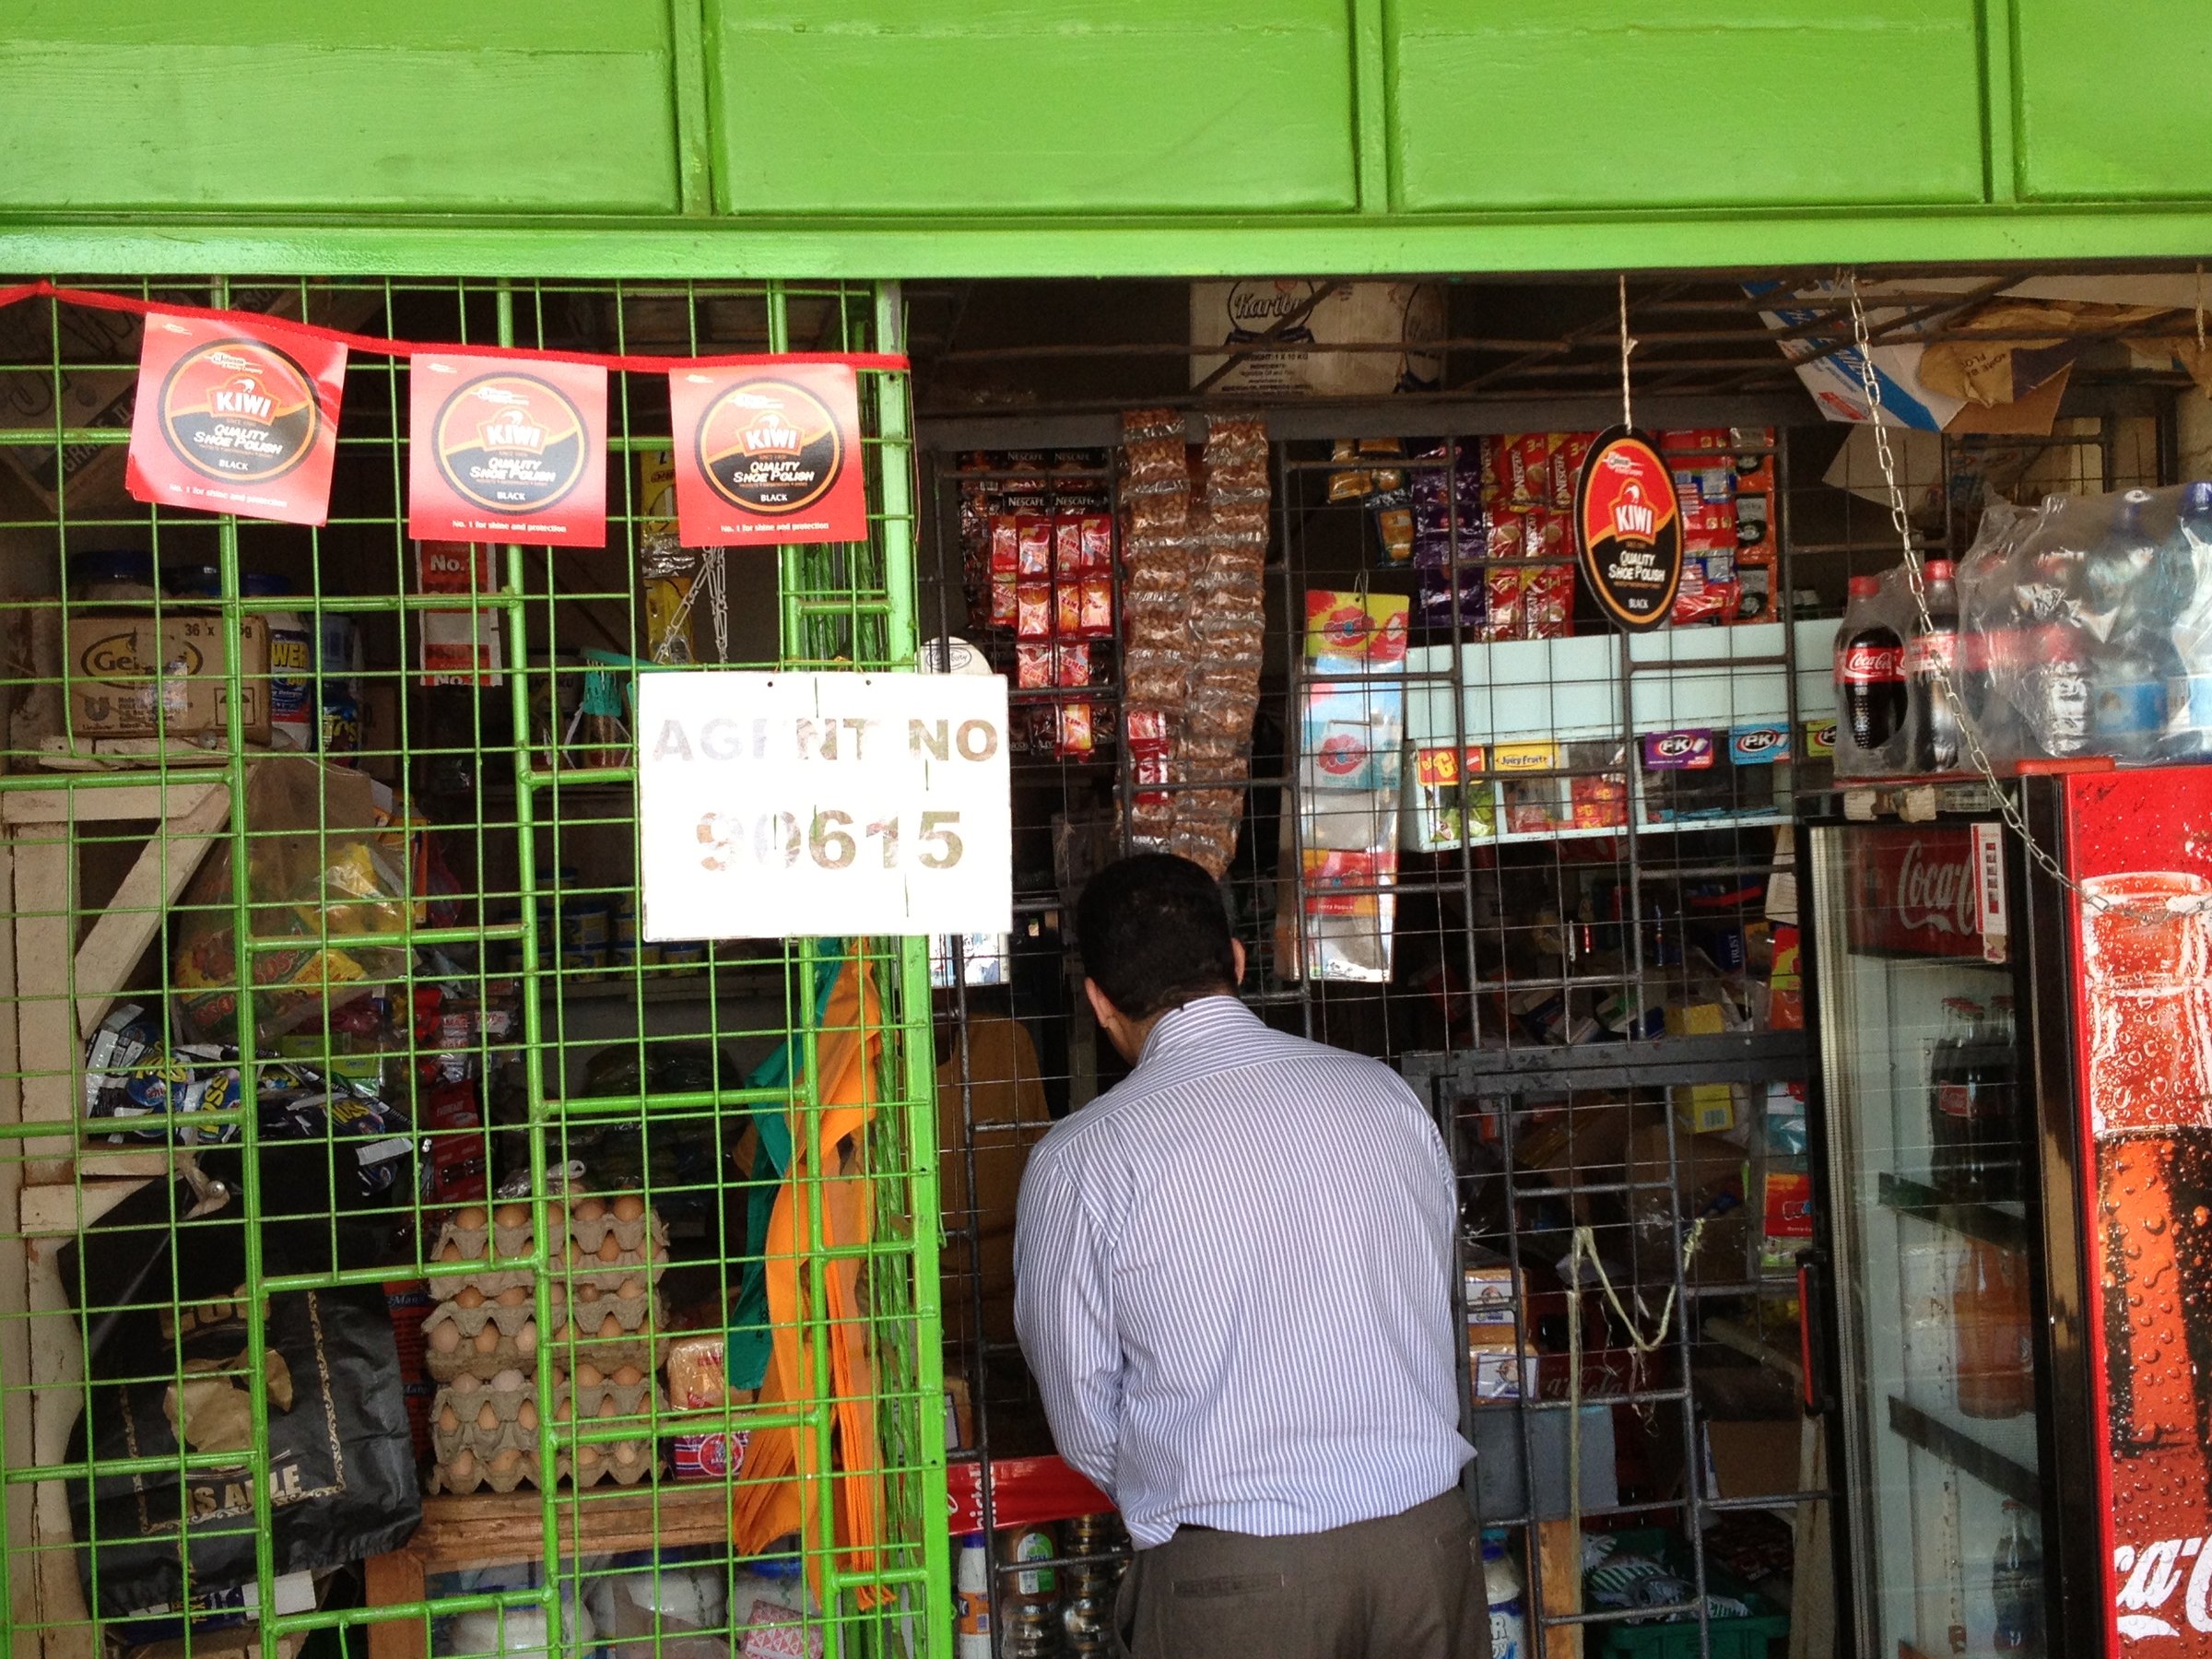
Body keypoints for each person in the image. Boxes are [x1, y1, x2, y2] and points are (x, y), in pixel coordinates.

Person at [1014, 853, 1484, 1659]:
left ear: (1098, 1002)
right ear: (1235, 960)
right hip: (1425, 1553)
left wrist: (1183, 1483)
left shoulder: (1082, 1159)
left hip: (1231, 1581)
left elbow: (1082, 1409)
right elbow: (1432, 1288)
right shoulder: (1384, 1097)